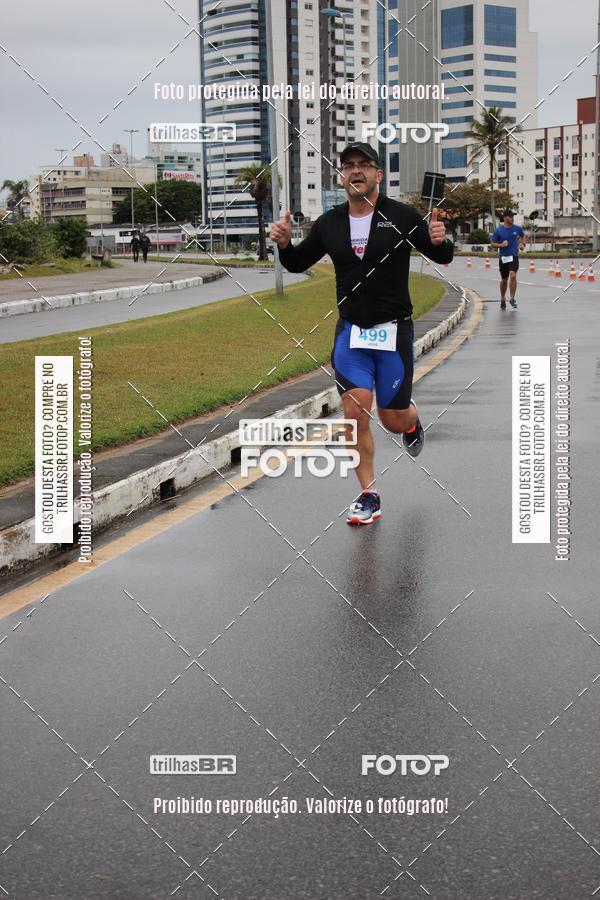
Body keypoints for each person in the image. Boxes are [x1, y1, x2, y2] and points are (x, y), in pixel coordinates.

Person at [270, 142, 453, 526]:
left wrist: (441, 240)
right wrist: (285, 244)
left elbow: (439, 254)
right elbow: (298, 262)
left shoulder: (400, 215)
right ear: (342, 176)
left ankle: (411, 420)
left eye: (364, 165)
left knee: (392, 419)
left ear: (378, 174)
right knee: (354, 410)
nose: (356, 171)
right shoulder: (329, 223)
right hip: (351, 334)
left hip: (393, 333)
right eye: (349, 165)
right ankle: (368, 494)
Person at [490, 209, 526, 309]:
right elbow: (492, 244)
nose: (512, 219)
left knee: (513, 275)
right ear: (505, 218)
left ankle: (512, 298)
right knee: (504, 279)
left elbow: (522, 236)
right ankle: (502, 298)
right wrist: (501, 245)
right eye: (510, 217)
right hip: (504, 257)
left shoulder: (517, 228)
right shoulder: (498, 230)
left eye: (513, 217)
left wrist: (522, 244)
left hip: (514, 256)